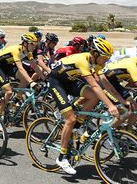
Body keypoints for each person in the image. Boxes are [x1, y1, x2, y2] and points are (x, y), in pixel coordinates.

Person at [47, 37, 118, 175]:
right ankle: (61, 157)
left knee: (94, 96)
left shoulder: (97, 63)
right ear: (96, 54)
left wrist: (116, 100)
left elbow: (103, 85)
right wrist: (110, 106)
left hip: (70, 81)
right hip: (56, 82)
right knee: (70, 119)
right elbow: (95, 85)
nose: (106, 61)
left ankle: (78, 125)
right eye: (105, 57)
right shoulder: (83, 60)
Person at [0, 33, 43, 118]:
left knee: (24, 79)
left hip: (8, 66)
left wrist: (45, 78)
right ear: (25, 43)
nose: (34, 46)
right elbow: (20, 68)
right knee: (9, 91)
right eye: (32, 44)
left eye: (35, 44)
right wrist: (31, 83)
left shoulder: (28, 52)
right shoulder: (16, 50)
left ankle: (16, 99)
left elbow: (35, 67)